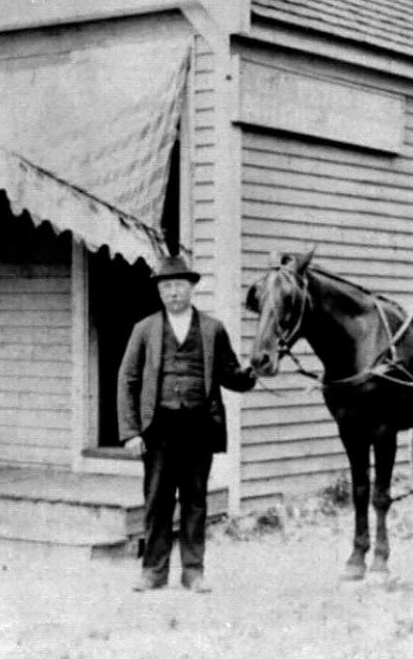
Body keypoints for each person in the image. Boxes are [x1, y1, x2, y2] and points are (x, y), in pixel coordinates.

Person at [116, 251, 257, 592]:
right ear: (159, 292)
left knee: (195, 501)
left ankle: (193, 571)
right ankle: (153, 571)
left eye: (178, 285)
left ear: (191, 288)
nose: (173, 293)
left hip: (198, 427)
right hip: (158, 428)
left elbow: (230, 374)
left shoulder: (212, 329)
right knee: (157, 500)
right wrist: (131, 432)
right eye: (166, 287)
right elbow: (127, 380)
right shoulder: (145, 329)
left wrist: (252, 373)